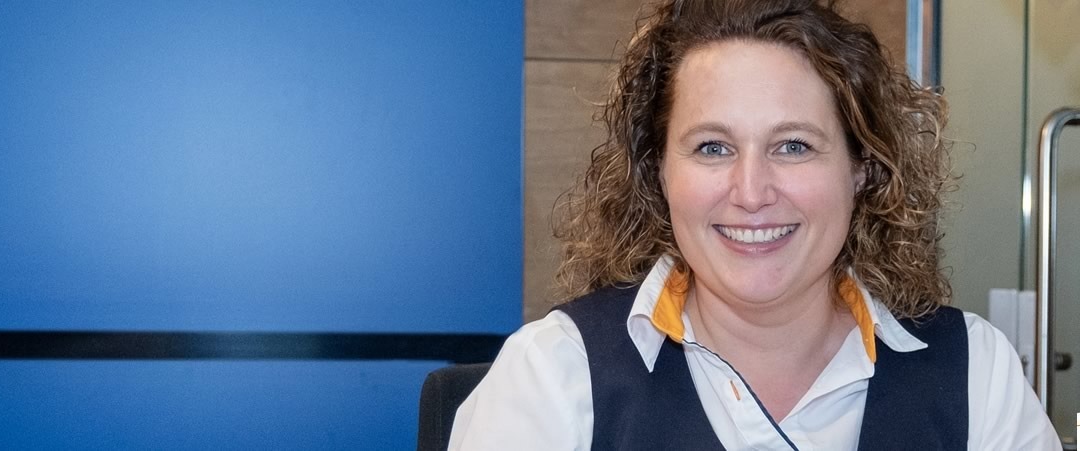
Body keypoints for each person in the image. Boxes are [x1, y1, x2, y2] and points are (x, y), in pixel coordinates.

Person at [449, 0, 1063, 449]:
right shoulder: (553, 375)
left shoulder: (975, 373)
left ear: (863, 169)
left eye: (794, 146)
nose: (751, 193)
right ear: (659, 172)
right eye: (713, 147)